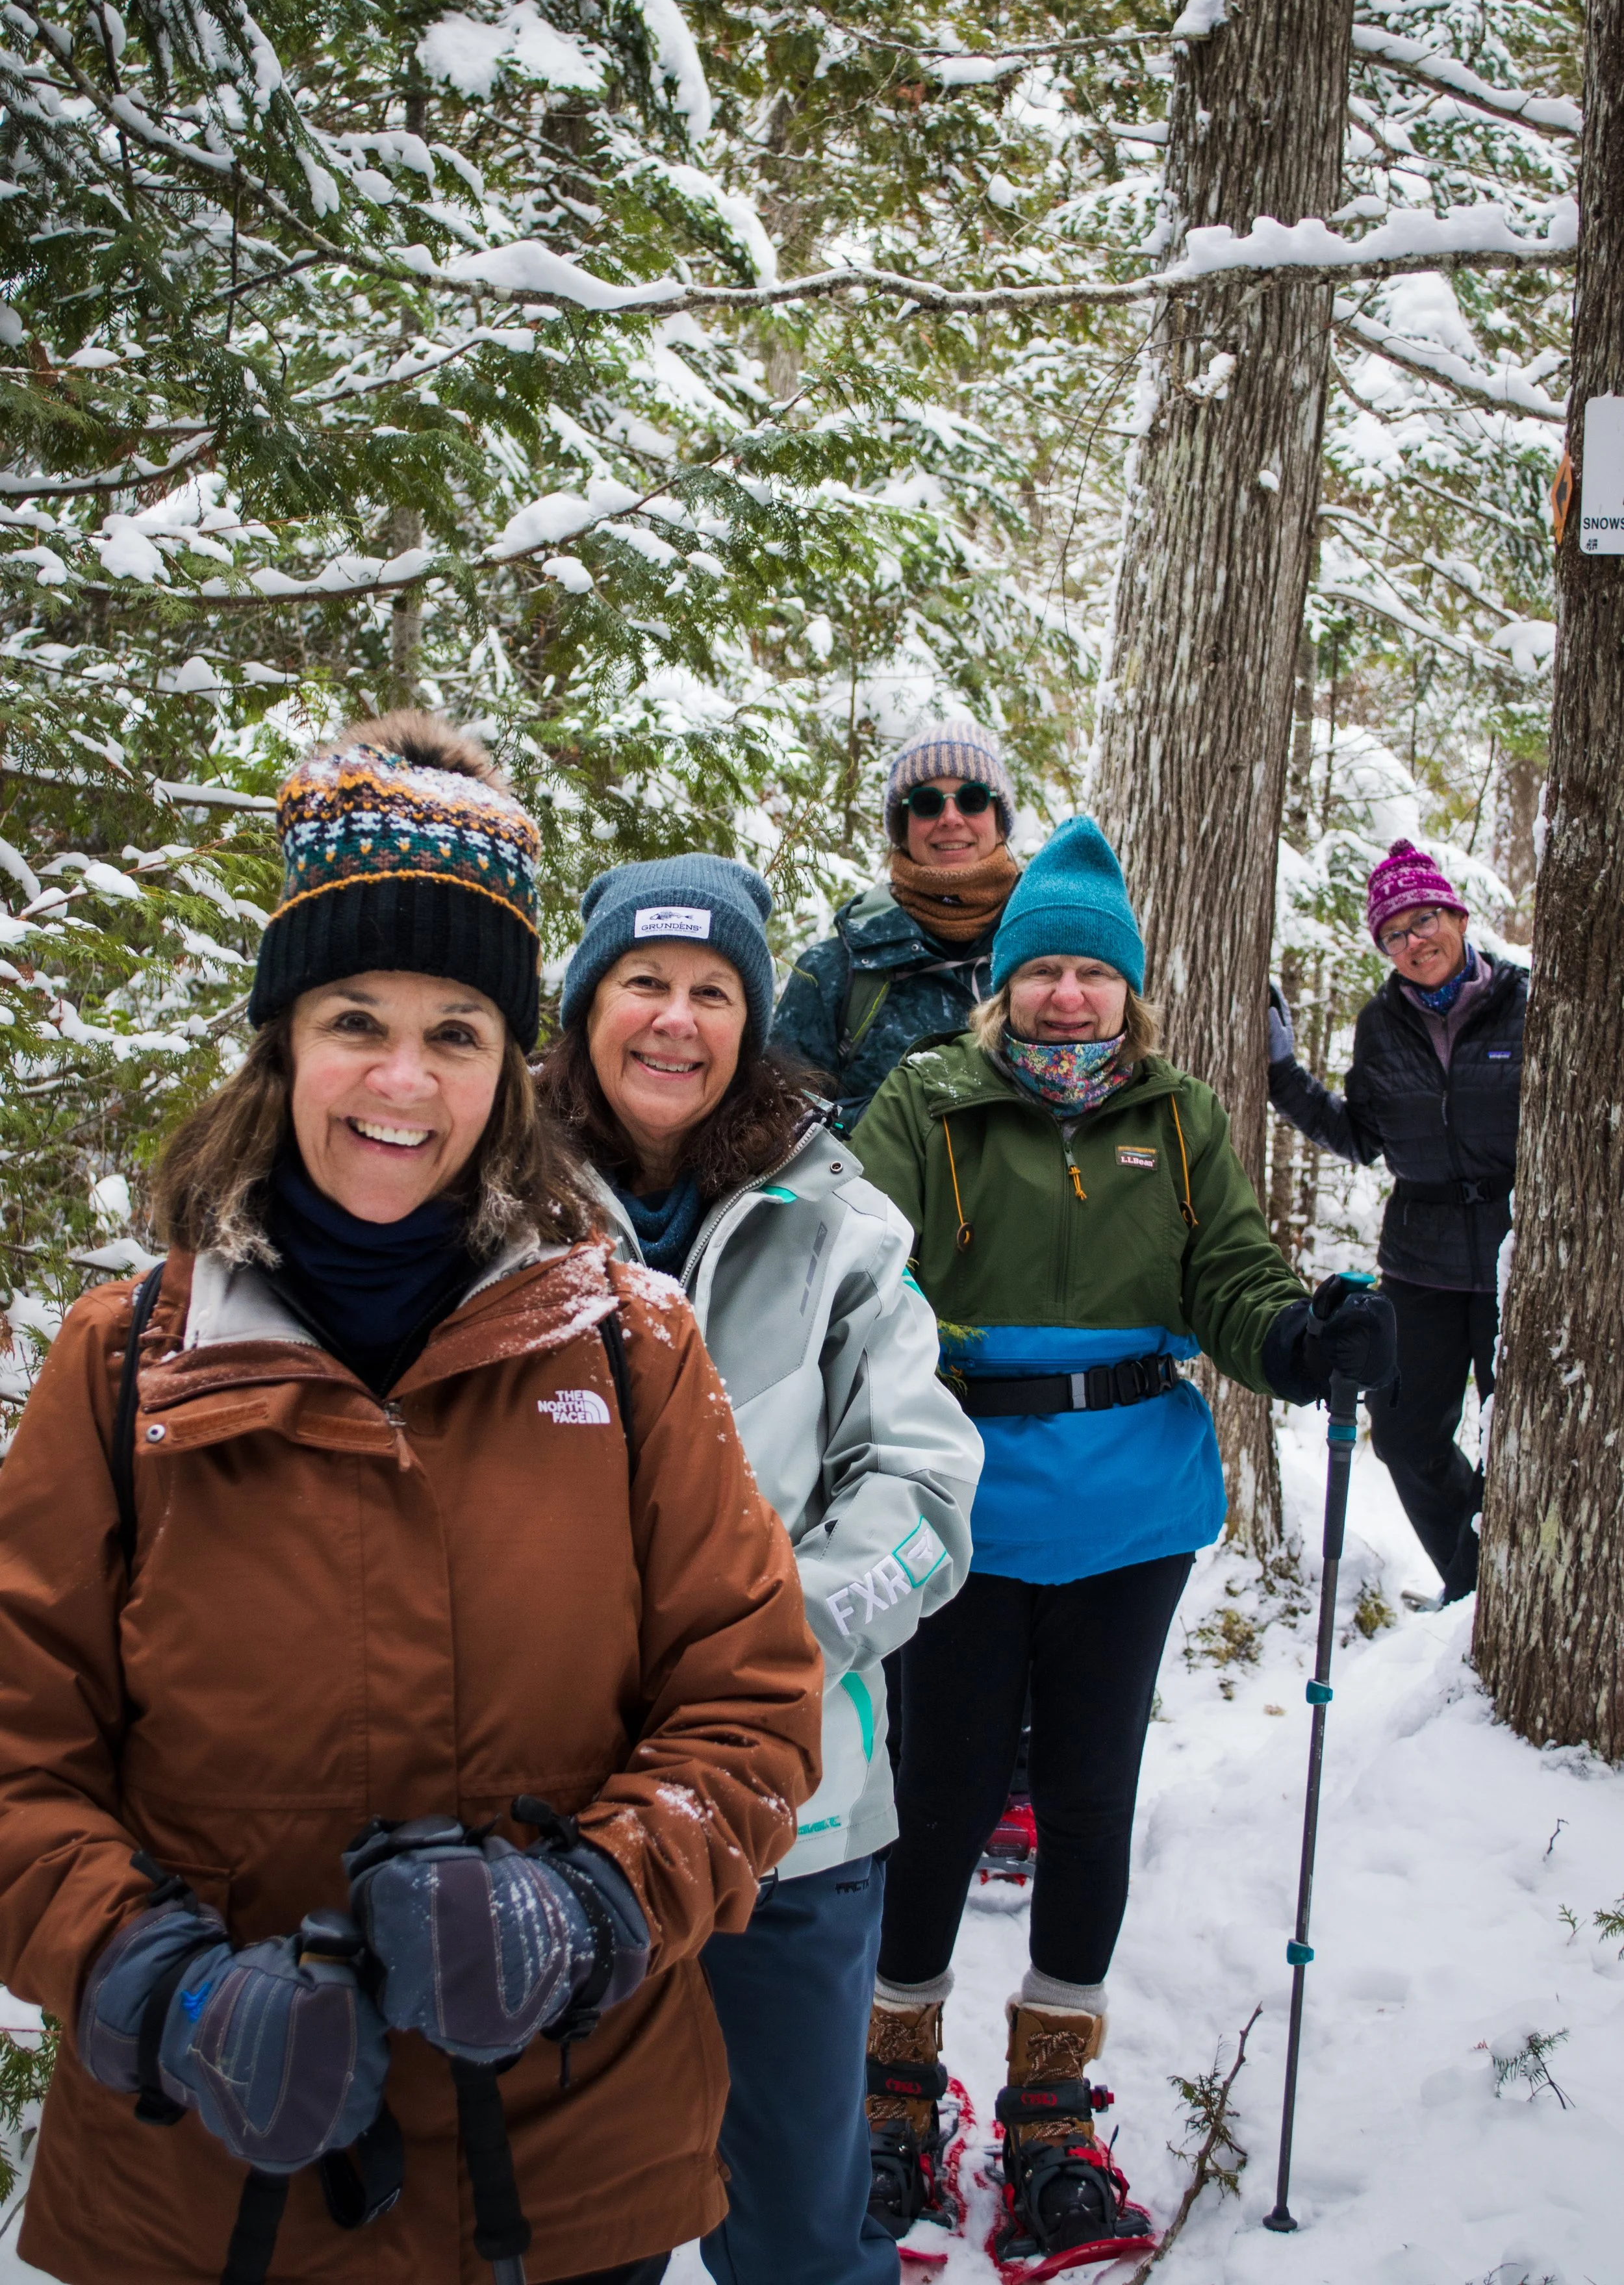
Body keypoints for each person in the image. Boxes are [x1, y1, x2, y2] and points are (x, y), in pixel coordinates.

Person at [0, 714, 824, 2285]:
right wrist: (154, 1989)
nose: (401, 1078)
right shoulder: (125, 1366)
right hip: (212, 2180)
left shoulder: (631, 1346)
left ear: (511, 1069)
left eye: (457, 1031)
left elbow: (756, 1712)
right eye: (354, 1019)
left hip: (566, 2177)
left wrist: (588, 1910)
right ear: (280, 1042)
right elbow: (16, 1753)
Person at [848, 816, 1395, 2271]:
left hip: (1129, 1513)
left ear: (1129, 990)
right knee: (941, 1794)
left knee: (1088, 1797)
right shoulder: (921, 1101)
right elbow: (858, 1271)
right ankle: (893, 2091)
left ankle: (1047, 2111)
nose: (1069, 996)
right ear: (1006, 986)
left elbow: (1224, 1267)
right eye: (1045, 972)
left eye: (1095, 972)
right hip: (958, 1500)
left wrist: (1296, 1333)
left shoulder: (1177, 1116)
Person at [537, 853, 983, 2285]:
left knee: (793, 2221)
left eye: (712, 990)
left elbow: (920, 1486)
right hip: (552, 1821)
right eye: (643, 982)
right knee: (563, 2228)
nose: (676, 1019)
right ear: (583, 1005)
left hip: (794, 1816)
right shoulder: (489, 1211)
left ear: (750, 1021)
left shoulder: (838, 1218)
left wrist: (759, 1646)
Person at [1267, 838, 1526, 1604]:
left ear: (1456, 914)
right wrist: (1282, 1076)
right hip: (1421, 1261)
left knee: (1524, 1441)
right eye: (1394, 934)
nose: (1414, 942)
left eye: (1423, 921)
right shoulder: (1380, 1023)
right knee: (1406, 1435)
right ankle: (1473, 1585)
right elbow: (1360, 1136)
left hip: (1522, 1253)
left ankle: (1499, 1590)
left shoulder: (1529, 1000)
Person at [773, 721, 1021, 1135]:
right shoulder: (832, 973)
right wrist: (905, 1123)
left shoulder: (1049, 956)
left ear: (999, 819)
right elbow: (780, 1124)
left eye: (972, 798)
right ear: (903, 825)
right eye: (927, 803)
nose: (950, 817)